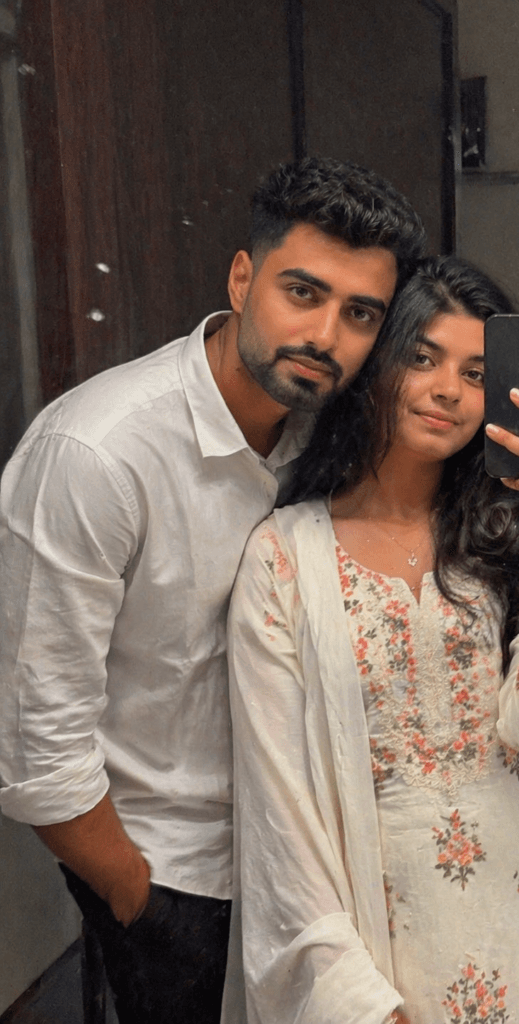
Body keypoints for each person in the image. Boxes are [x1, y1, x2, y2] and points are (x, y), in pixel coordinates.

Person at [0, 156, 425, 1024]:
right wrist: (136, 897)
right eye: (301, 293)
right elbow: (39, 749)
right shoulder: (98, 455)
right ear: (241, 278)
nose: (324, 335)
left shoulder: (328, 439)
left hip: (314, 861)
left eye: (359, 314)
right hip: (176, 880)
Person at [227, 255, 519, 1024]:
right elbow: (279, 813)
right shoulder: (286, 558)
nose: (447, 390)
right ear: (375, 367)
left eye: (474, 373)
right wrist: (361, 1003)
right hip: (392, 954)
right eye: (422, 359)